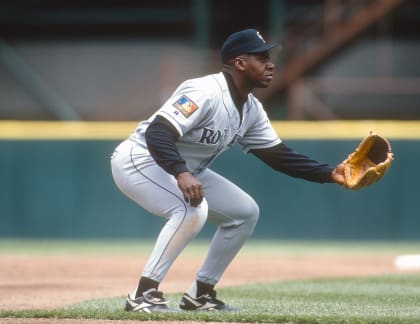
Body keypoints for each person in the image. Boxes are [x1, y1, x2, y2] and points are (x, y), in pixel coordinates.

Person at [110, 28, 346, 313]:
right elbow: (159, 133)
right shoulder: (204, 90)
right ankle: (143, 294)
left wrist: (330, 173)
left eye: (269, 58)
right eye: (261, 57)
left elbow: (278, 156)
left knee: (245, 212)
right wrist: (181, 173)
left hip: (184, 170)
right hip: (141, 160)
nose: (270, 64)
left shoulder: (252, 110)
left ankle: (200, 295)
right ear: (239, 63)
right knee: (192, 210)